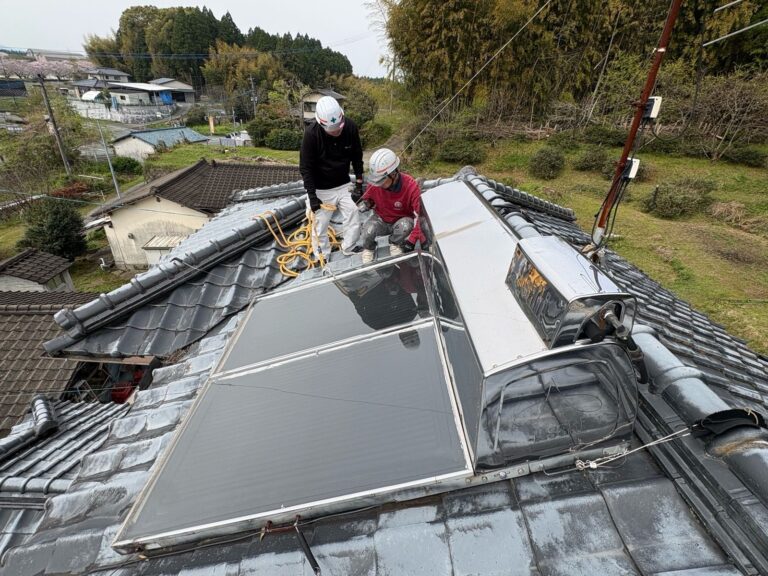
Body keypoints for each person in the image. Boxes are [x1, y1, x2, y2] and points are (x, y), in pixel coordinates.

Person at [300, 96, 364, 259]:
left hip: (342, 184)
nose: (337, 131)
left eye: (339, 128)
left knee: (353, 212)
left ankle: (348, 246)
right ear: (321, 124)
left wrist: (359, 183)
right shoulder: (311, 134)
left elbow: (357, 156)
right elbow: (306, 168)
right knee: (320, 223)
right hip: (321, 189)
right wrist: (312, 196)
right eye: (332, 130)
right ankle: (322, 255)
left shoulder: (350, 127)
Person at [358, 148, 426, 264]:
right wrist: (365, 203)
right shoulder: (375, 183)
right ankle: (368, 248)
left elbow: (420, 216)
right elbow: (369, 199)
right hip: (381, 219)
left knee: (405, 225)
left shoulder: (410, 186)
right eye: (376, 180)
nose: (378, 184)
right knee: (367, 229)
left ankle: (395, 244)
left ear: (393, 174)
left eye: (382, 181)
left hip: (401, 221)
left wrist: (412, 240)